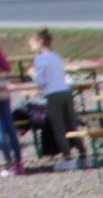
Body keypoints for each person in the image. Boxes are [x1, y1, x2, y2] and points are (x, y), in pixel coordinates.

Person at [31, 31, 90, 169]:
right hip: (65, 92)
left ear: (39, 42)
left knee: (59, 127)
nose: (32, 47)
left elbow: (40, 80)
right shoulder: (56, 56)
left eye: (32, 44)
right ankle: (83, 154)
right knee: (71, 125)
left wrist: (32, 74)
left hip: (53, 94)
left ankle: (67, 156)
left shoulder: (40, 59)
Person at [0, 43, 21, 176]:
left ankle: (9, 162)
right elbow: (7, 67)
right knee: (10, 128)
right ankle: (18, 161)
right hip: (3, 92)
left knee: (1, 131)